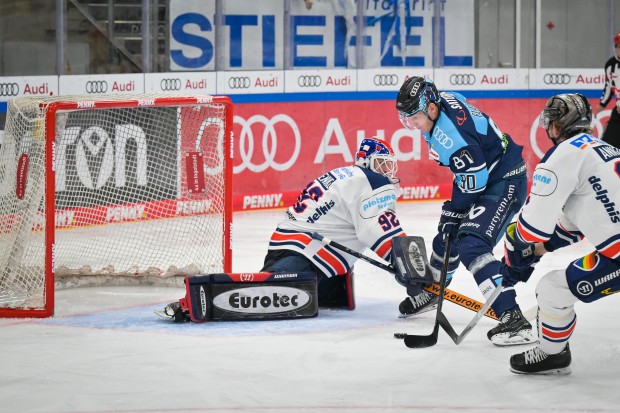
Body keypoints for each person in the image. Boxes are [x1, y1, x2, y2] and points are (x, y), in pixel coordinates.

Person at [395, 76, 535, 346]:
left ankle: (513, 317)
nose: (412, 125)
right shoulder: (445, 99)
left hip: (504, 181)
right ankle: (435, 290)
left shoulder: (450, 138)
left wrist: (455, 209)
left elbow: (475, 182)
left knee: (472, 244)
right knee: (447, 235)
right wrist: (453, 213)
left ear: (431, 109)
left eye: (414, 117)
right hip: (491, 173)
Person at [501, 93, 620, 375]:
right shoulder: (605, 149)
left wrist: (515, 251)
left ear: (556, 127)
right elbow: (572, 225)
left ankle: (552, 353)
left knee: (553, 289)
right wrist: (538, 252)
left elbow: (530, 228)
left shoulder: (562, 155)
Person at [261, 137, 409, 309]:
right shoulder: (370, 181)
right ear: (365, 161)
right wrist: (411, 266)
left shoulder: (347, 175)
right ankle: (267, 285)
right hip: (302, 254)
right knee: (269, 291)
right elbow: (378, 229)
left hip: (288, 246)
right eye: (381, 163)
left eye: (388, 164)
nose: (386, 170)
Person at [592, 31, 620, 148]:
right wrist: (601, 105)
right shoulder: (610, 65)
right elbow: (608, 87)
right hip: (618, 113)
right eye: (618, 46)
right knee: (607, 145)